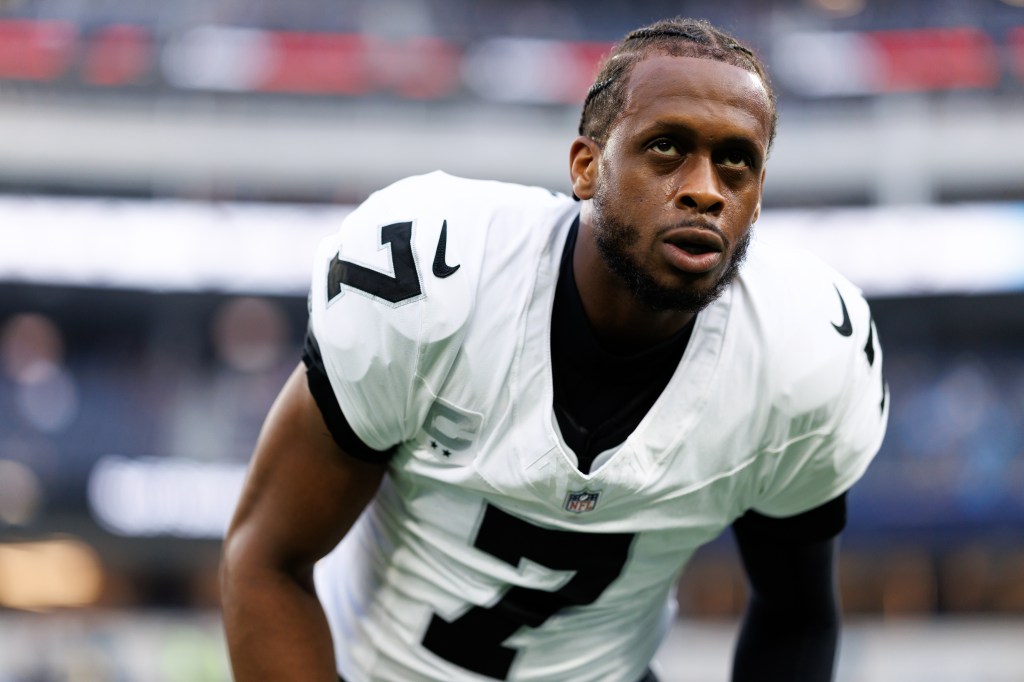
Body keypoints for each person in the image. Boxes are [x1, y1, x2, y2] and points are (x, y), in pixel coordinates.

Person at [220, 16, 888, 682]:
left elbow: (797, 615)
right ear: (587, 166)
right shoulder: (439, 284)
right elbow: (266, 559)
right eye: (665, 147)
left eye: (736, 161)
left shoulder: (804, 355)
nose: (705, 189)